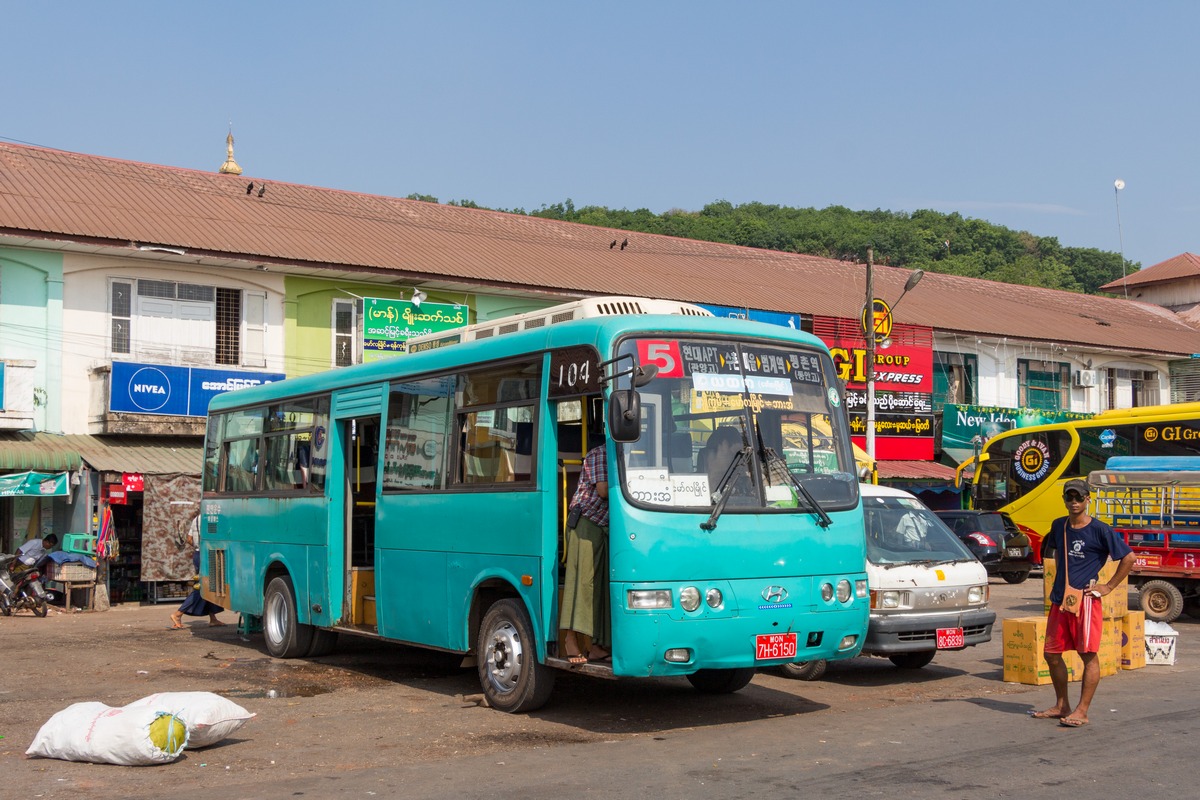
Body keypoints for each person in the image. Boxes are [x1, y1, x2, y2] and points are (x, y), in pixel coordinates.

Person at [1031, 478, 1134, 728]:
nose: (1074, 502)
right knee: (1051, 654)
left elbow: (1128, 558)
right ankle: (1062, 705)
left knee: (1087, 654)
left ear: (1088, 499)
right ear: (1064, 500)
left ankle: (1082, 710)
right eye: (1070, 497)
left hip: (1086, 602)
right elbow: (1054, 554)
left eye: (1079, 497)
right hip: (1061, 601)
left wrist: (1107, 586)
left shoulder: (1100, 529)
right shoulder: (1059, 527)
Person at [560, 438, 609, 666]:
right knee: (582, 583)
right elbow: (603, 490)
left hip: (605, 527)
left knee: (600, 587)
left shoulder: (628, 456)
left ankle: (597, 646)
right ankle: (571, 639)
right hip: (586, 523)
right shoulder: (599, 454)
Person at [169, 515, 225, 629]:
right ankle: (178, 614)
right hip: (208, 555)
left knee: (209, 586)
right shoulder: (213, 519)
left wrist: (197, 547)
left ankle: (213, 619)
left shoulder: (197, 519)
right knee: (202, 587)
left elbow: (189, 539)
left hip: (198, 554)